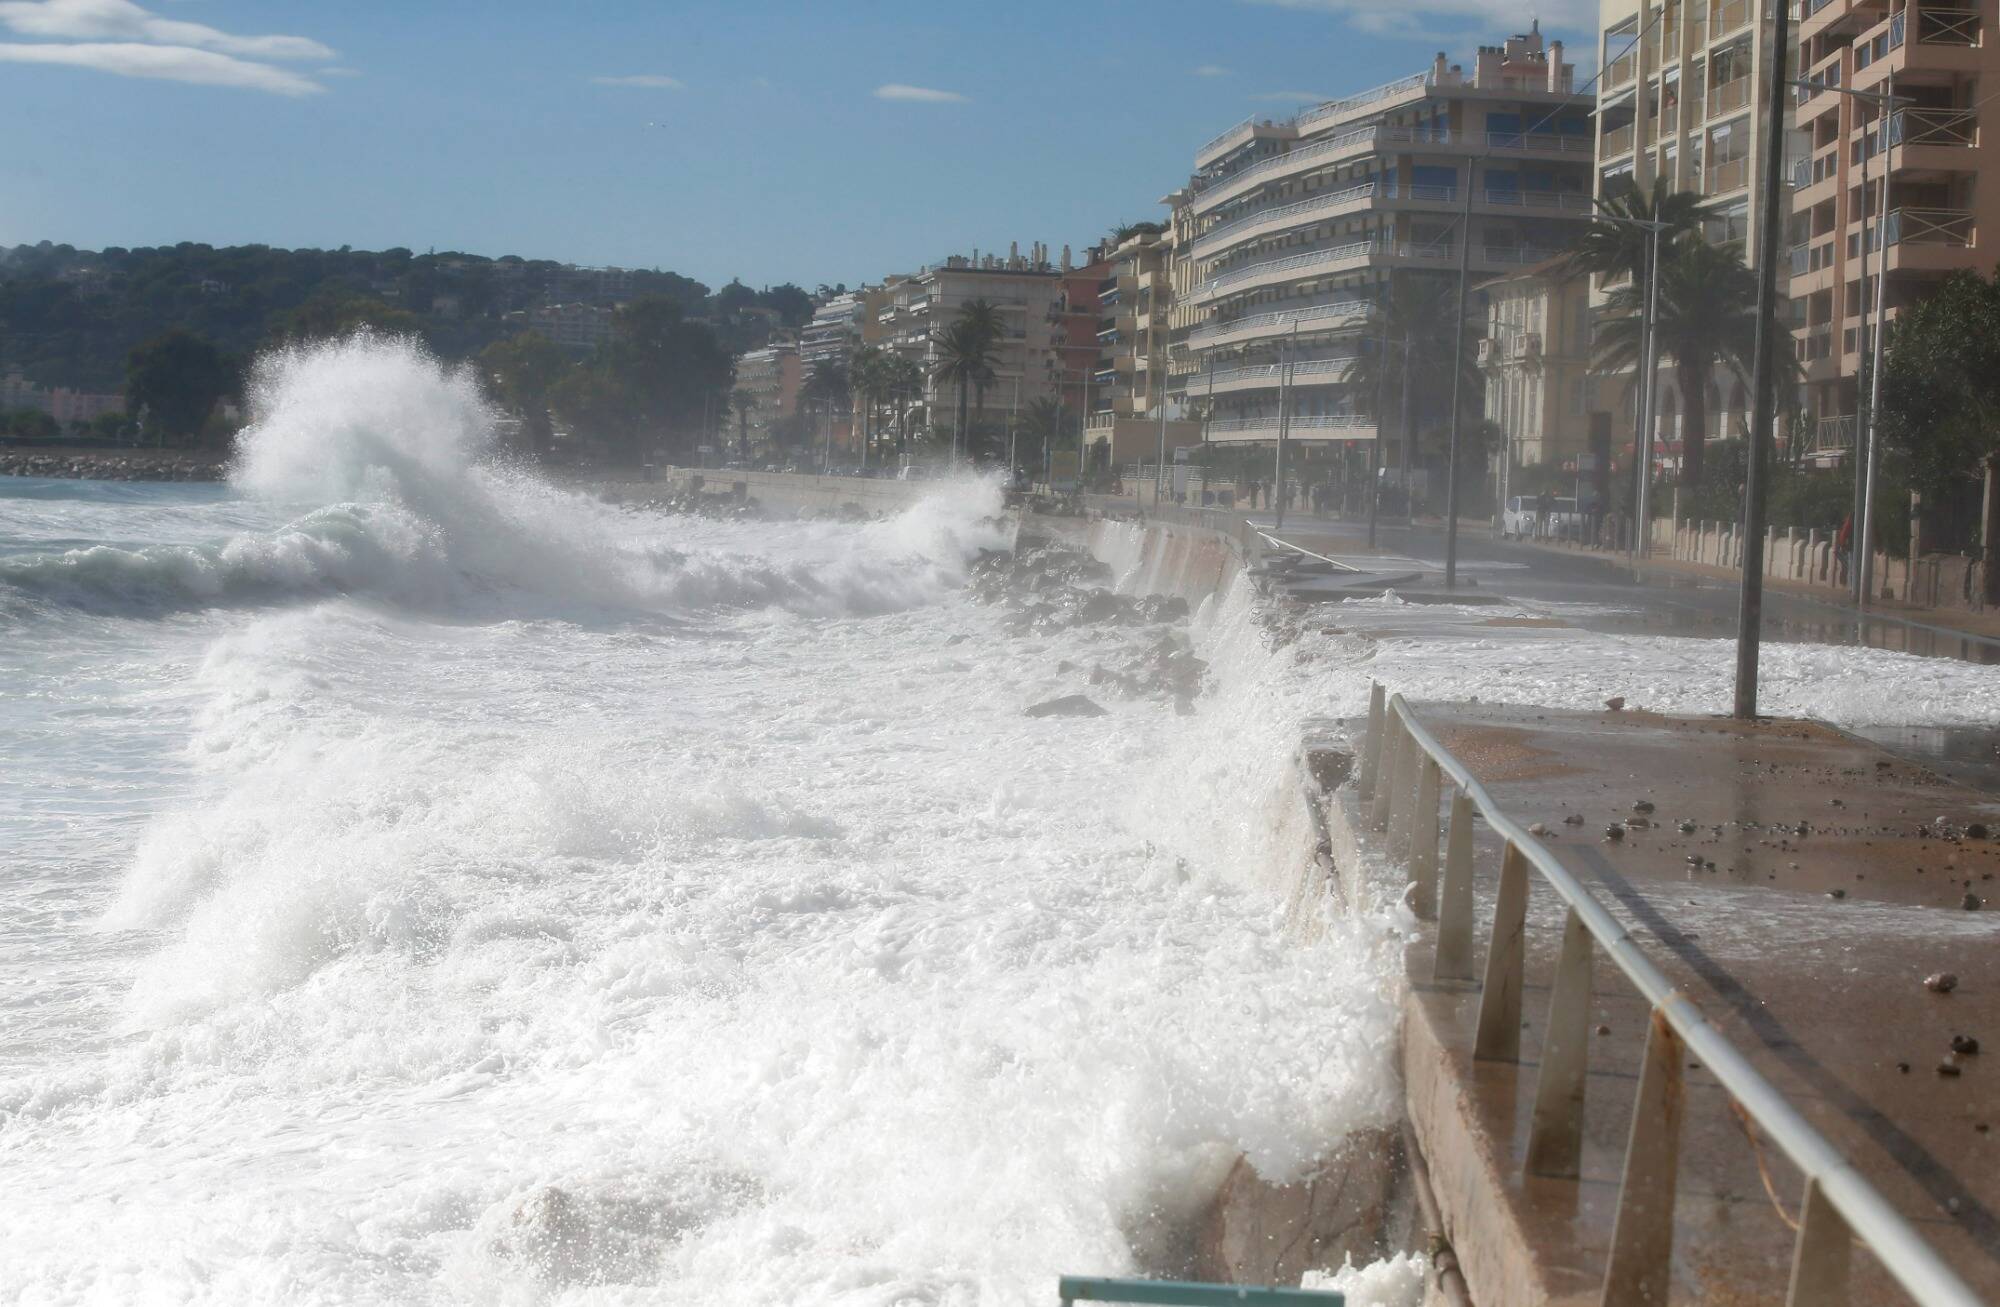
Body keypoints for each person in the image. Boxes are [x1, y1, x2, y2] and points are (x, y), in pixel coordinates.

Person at [1836, 513, 1854, 585]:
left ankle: (1852, 587)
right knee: (1852, 567)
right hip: (1854, 547)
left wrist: (1842, 545)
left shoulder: (1852, 517)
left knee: (1852, 568)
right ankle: (1852, 587)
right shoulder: (1852, 517)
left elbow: (1844, 532)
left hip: (1852, 547)